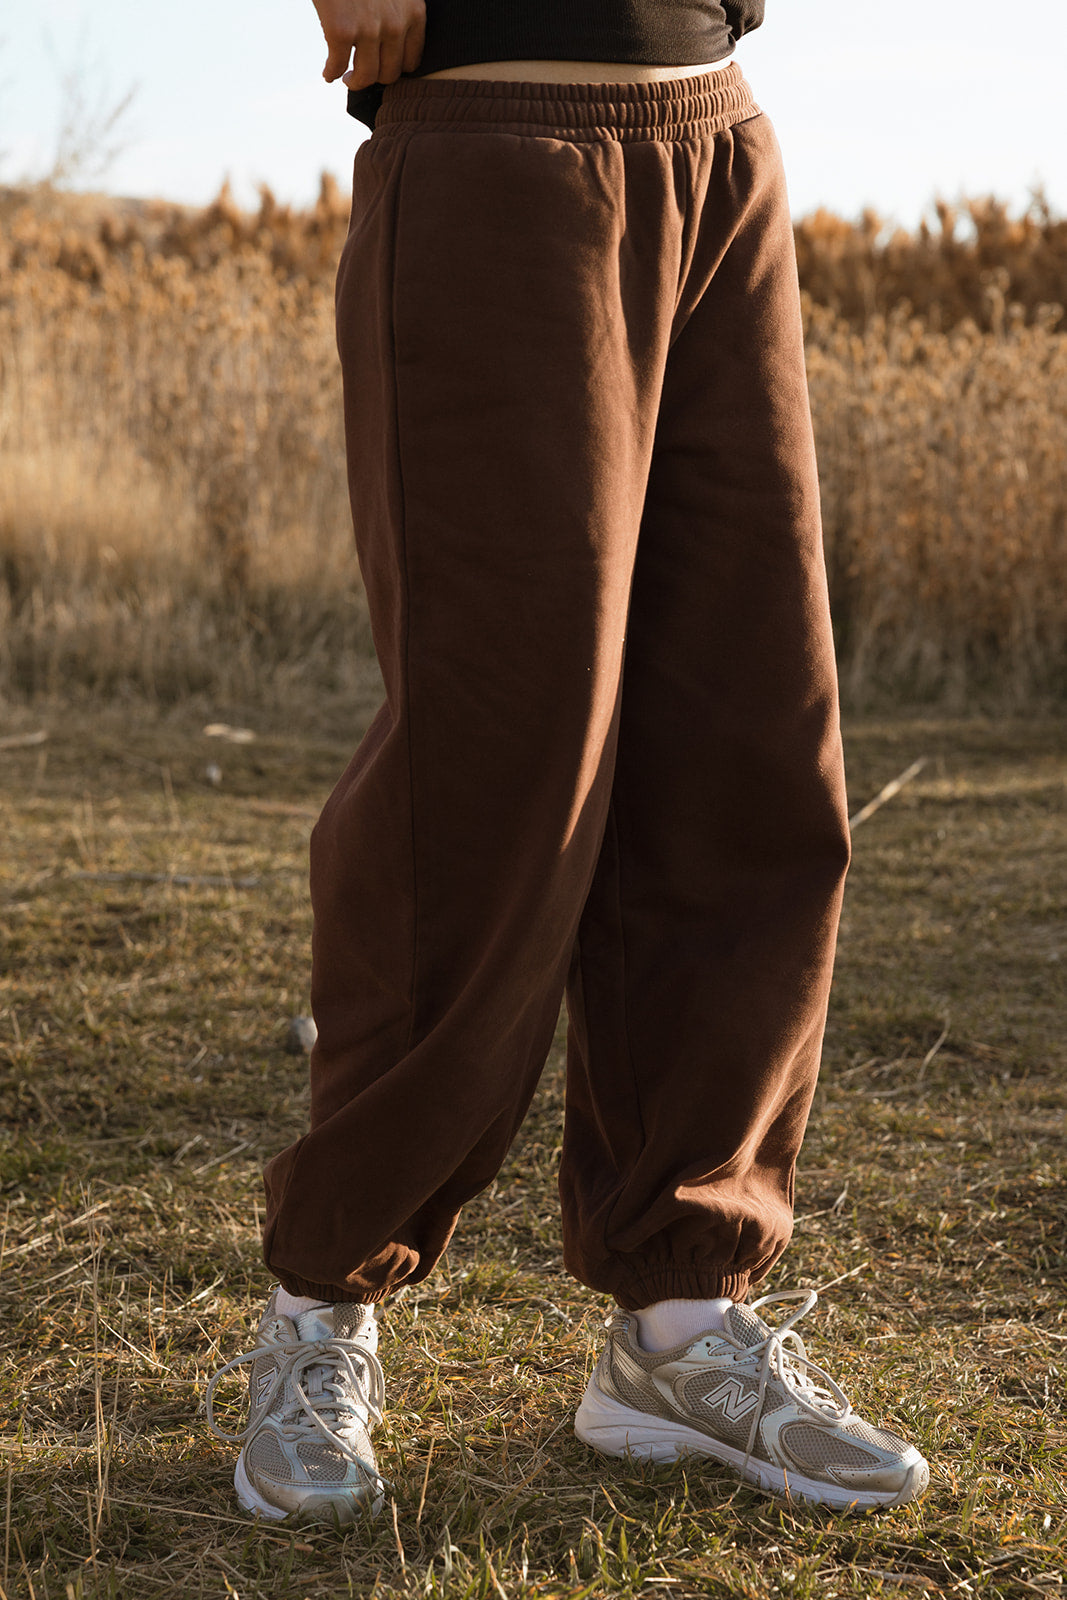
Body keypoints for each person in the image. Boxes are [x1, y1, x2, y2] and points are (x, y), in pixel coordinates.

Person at [206, 0, 930, 1522]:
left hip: (716, 136)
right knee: (489, 775)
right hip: (497, 139)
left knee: (746, 749)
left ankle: (680, 1316)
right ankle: (325, 1297)